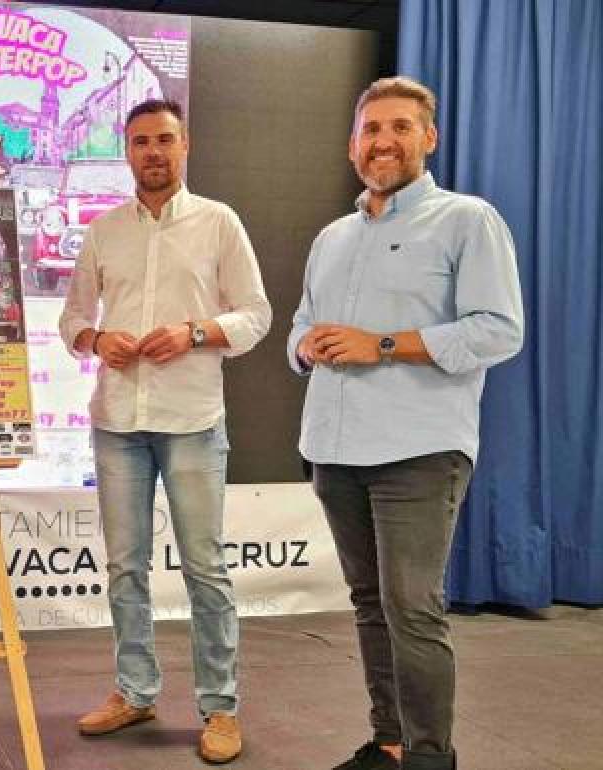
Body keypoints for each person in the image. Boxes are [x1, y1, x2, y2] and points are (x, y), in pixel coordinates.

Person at [288, 76, 523, 770]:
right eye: (371, 129)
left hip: (419, 449)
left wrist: (384, 343)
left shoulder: (467, 220)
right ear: (352, 145)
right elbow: (301, 325)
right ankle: (389, 742)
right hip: (334, 449)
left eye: (400, 127)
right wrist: (304, 346)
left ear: (429, 138)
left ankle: (429, 756)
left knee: (412, 608)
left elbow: (498, 329)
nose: (383, 141)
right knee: (370, 603)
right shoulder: (332, 237)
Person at [59, 98, 271, 764]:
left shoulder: (219, 222)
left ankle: (221, 708)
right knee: (126, 568)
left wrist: (196, 332)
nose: (153, 151)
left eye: (165, 140)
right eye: (141, 141)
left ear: (185, 146)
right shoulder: (103, 230)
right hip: (117, 421)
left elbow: (257, 314)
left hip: (191, 421)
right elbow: (71, 320)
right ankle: (135, 691)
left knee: (206, 569)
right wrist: (98, 340)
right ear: (127, 151)